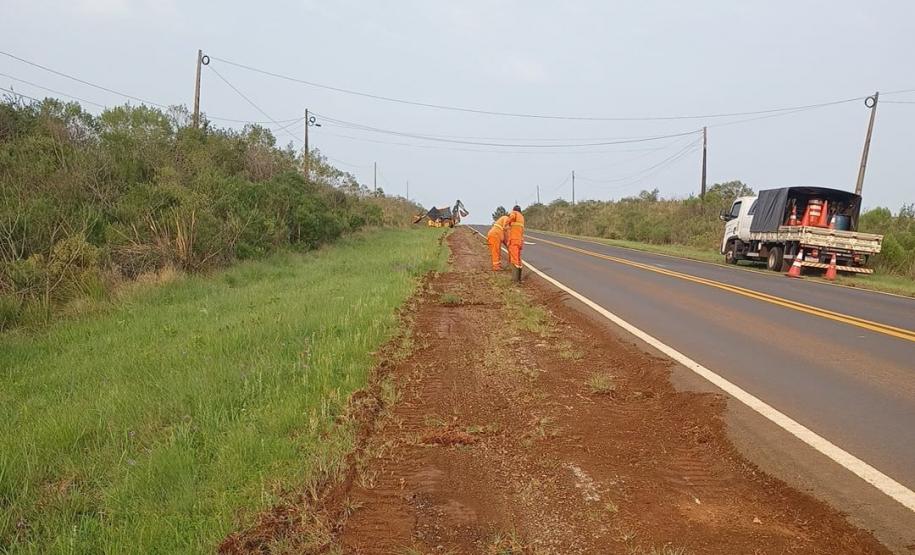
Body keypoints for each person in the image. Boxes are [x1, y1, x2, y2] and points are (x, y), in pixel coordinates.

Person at [505, 205, 524, 281]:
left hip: (514, 240)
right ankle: (519, 279)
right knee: (518, 259)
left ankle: (515, 279)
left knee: (514, 259)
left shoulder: (514, 213)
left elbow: (511, 217)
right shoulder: (521, 217)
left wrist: (506, 224)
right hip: (519, 240)